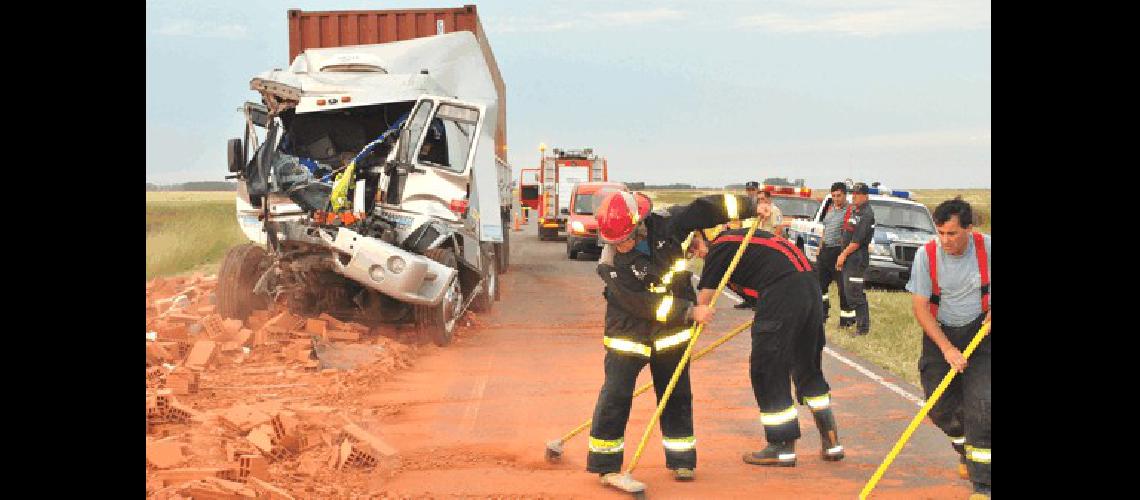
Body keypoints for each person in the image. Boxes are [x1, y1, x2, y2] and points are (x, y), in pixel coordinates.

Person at [586, 190, 758, 493]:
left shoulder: (666, 225)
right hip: (629, 333)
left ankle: (681, 460)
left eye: (625, 238)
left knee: (676, 394)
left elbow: (703, 209)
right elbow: (643, 303)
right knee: (615, 396)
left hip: (672, 334)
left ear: (640, 223)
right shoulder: (610, 262)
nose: (621, 245)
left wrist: (752, 206)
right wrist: (690, 311)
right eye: (615, 241)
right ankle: (606, 465)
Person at [693, 225, 844, 467]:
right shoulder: (743, 240)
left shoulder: (721, 247)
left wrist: (692, 325)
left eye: (695, 247)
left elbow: (703, 300)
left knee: (767, 369)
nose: (697, 254)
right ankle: (831, 440)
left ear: (706, 236)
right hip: (809, 290)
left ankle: (781, 445)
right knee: (807, 366)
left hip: (783, 293)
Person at [905, 197, 990, 499]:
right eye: (940, 232)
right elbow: (920, 308)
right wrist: (947, 349)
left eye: (952, 234)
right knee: (939, 408)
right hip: (940, 333)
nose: (944, 241)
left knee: (982, 406)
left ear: (969, 229)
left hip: (981, 334)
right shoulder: (926, 255)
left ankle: (983, 485)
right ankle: (964, 445)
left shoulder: (987, 248)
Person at [835, 182, 875, 336]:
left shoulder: (866, 214)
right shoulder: (855, 211)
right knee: (850, 291)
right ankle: (860, 325)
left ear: (865, 196)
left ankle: (862, 329)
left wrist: (843, 255)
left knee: (855, 293)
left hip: (856, 259)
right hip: (849, 258)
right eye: (853, 193)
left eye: (857, 194)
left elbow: (857, 241)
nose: (854, 196)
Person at [817, 182, 854, 326]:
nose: (836, 198)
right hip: (825, 251)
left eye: (839, 195)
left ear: (845, 195)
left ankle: (847, 319)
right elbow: (825, 230)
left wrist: (843, 254)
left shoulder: (850, 211)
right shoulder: (830, 209)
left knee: (842, 288)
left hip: (838, 251)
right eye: (833, 196)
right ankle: (822, 313)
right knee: (820, 285)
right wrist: (820, 247)